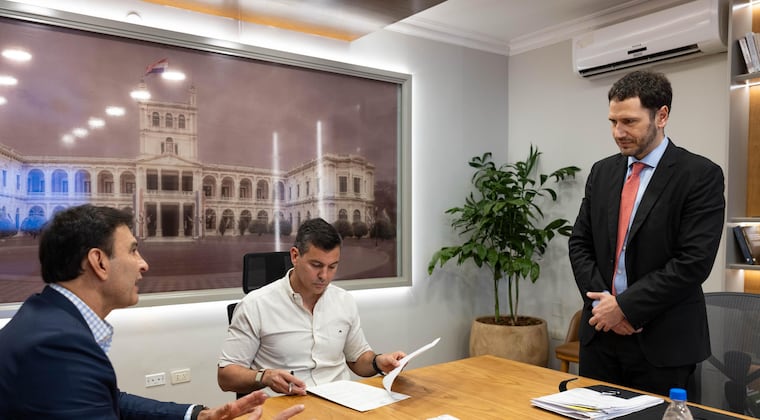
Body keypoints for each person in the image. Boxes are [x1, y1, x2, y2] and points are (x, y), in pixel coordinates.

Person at [0, 204, 305, 420]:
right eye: (133, 250)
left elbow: (111, 401)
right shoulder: (57, 346)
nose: (143, 264)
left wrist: (199, 416)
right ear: (98, 262)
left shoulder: (49, 319)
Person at [568, 70, 725, 397]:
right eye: (613, 122)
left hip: (663, 343)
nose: (618, 132)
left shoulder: (700, 175)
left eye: (629, 121)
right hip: (601, 335)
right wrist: (605, 307)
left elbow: (692, 262)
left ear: (661, 116)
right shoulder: (602, 171)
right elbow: (580, 243)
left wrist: (625, 307)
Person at [217, 218, 406, 396]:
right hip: (286, 406)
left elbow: (358, 359)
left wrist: (378, 362)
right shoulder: (255, 305)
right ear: (295, 256)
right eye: (316, 265)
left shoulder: (344, 300)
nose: (324, 276)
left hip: (341, 402)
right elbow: (226, 376)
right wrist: (264, 376)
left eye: (332, 267)